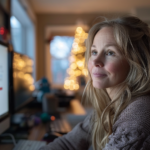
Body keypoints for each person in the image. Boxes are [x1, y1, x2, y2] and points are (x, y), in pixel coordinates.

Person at [39, 16, 150, 150]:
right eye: (94, 52)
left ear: (135, 62)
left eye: (110, 52)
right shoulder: (109, 105)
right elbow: (68, 144)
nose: (95, 61)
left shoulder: (139, 113)